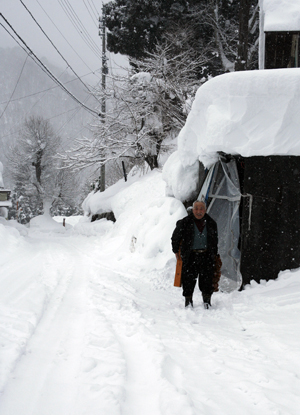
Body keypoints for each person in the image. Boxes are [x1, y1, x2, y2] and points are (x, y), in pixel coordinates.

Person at [171, 200, 218, 308]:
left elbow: (215, 240)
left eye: (201, 208)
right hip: (190, 255)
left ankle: (206, 301)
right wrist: (175, 250)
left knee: (207, 279)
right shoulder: (185, 222)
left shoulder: (211, 223)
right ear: (192, 210)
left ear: (205, 210)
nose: (198, 211)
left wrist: (214, 254)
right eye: (196, 208)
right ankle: (188, 301)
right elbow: (175, 237)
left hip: (206, 255)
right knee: (188, 279)